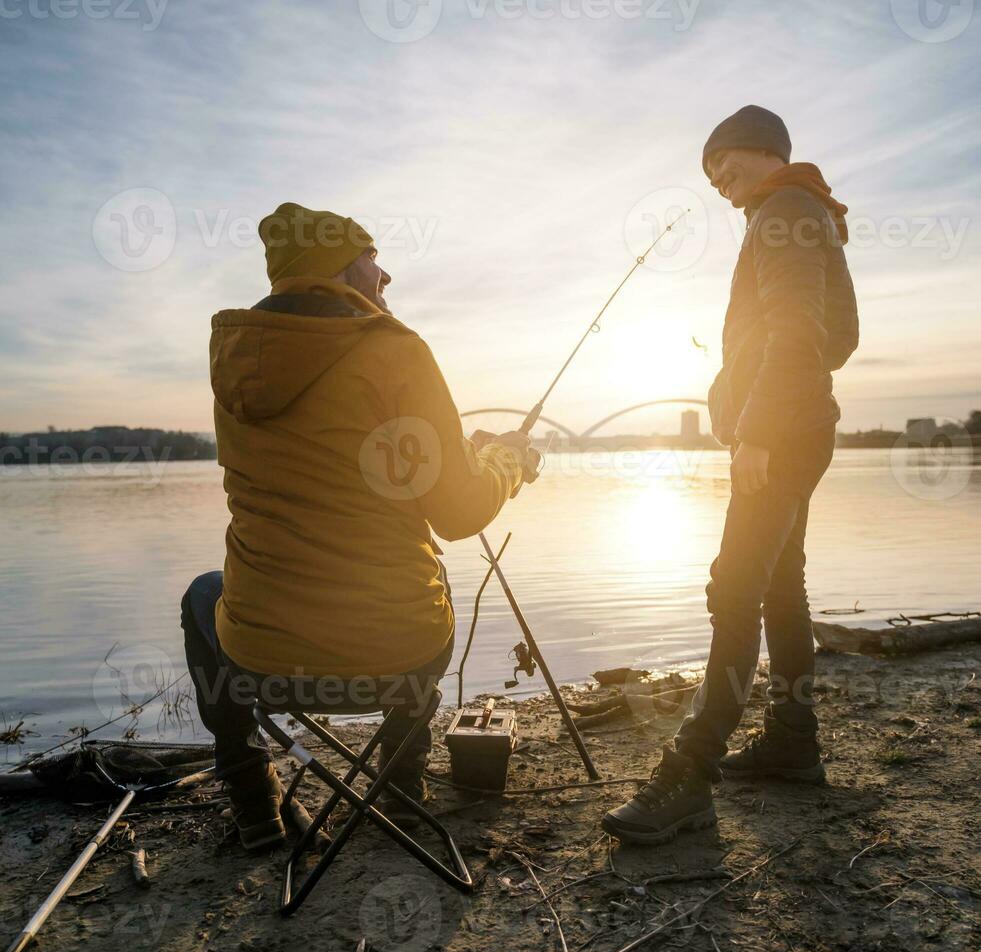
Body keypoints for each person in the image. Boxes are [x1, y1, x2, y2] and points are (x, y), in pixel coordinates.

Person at [182, 202, 533, 850]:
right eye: (372, 257)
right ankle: (400, 792)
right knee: (428, 581)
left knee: (203, 593)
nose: (386, 276)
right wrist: (504, 460)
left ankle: (253, 808)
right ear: (339, 270)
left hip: (261, 660)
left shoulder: (235, 360)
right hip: (391, 654)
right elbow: (457, 513)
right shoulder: (395, 350)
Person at [604, 106, 859, 845]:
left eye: (723, 163)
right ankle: (791, 741)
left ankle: (688, 773)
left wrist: (755, 429)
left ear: (762, 152)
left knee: (733, 587)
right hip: (797, 426)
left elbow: (798, 330)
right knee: (780, 587)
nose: (715, 181)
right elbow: (829, 335)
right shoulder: (795, 211)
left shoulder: (783, 208)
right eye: (707, 172)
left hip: (782, 432)